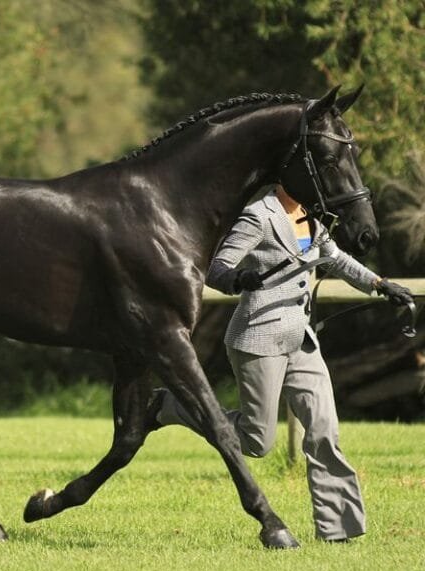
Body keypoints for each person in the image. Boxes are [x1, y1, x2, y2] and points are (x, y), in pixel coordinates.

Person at [148, 183, 414, 543]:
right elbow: (217, 267)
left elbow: (335, 258)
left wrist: (381, 284)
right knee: (257, 441)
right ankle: (170, 406)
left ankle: (337, 530)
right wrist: (238, 279)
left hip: (301, 340)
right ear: (283, 178)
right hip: (259, 340)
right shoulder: (259, 216)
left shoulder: (311, 217)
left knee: (324, 431)